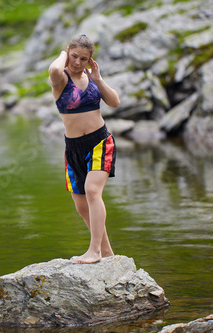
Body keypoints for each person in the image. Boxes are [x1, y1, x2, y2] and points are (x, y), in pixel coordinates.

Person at [48, 34, 121, 264]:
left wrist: (98, 79)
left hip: (100, 142)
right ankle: (106, 252)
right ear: (67, 53)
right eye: (74, 56)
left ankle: (94, 251)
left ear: (91, 61)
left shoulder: (92, 79)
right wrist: (64, 52)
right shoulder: (61, 80)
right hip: (73, 149)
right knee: (82, 206)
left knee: (92, 191)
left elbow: (115, 102)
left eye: (84, 58)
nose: (78, 62)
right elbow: (52, 70)